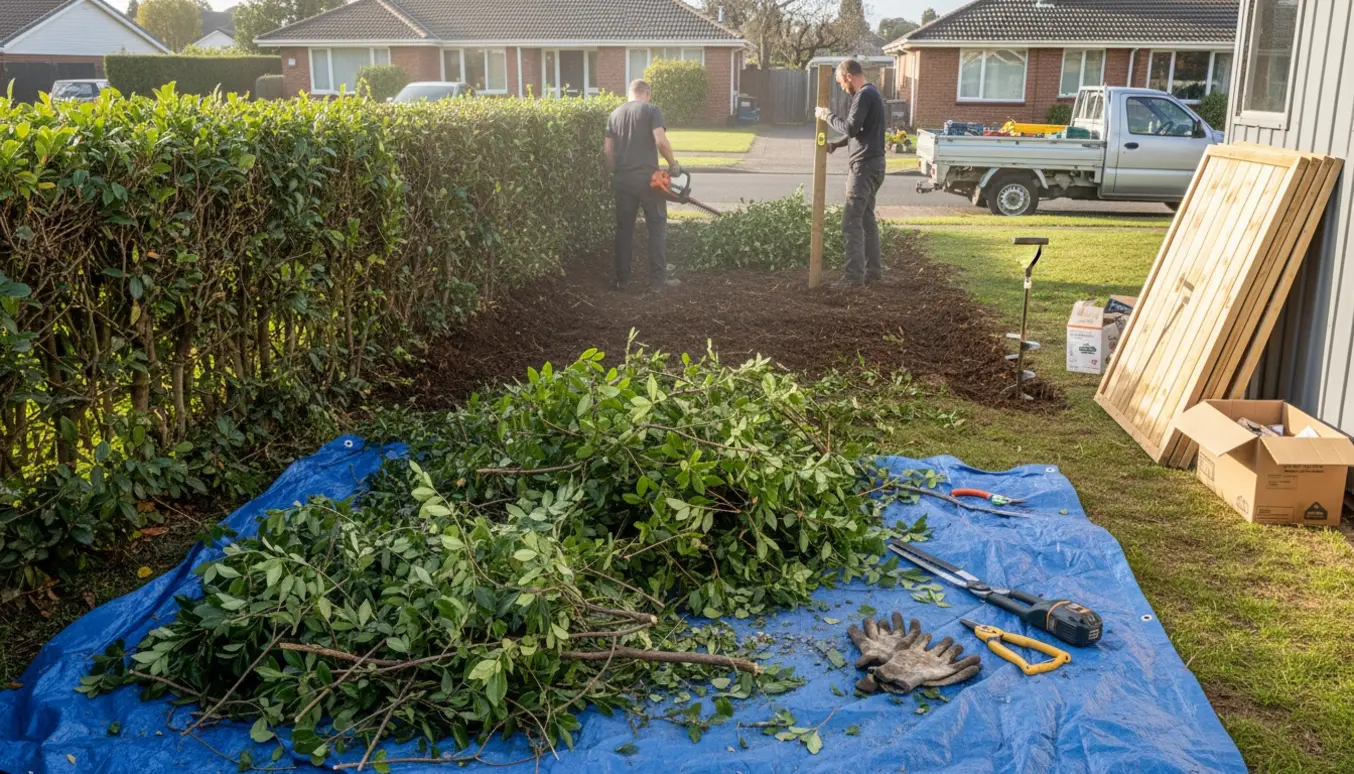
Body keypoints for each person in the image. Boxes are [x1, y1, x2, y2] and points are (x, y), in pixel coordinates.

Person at [604, 80, 682, 291]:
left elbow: (608, 151)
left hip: (623, 181)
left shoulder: (615, 114)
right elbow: (660, 141)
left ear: (630, 93)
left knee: (624, 230)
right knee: (656, 228)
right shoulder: (651, 110)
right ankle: (658, 281)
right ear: (647, 93)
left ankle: (623, 281)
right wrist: (673, 165)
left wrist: (616, 173)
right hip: (648, 182)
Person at [816, 59, 887, 287]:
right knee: (866, 219)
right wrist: (837, 144)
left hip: (864, 167)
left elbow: (851, 127)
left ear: (848, 76)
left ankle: (853, 279)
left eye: (840, 82)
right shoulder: (872, 93)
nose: (841, 87)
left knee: (850, 221)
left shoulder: (863, 95)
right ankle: (873, 272)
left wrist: (826, 116)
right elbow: (861, 131)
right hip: (875, 165)